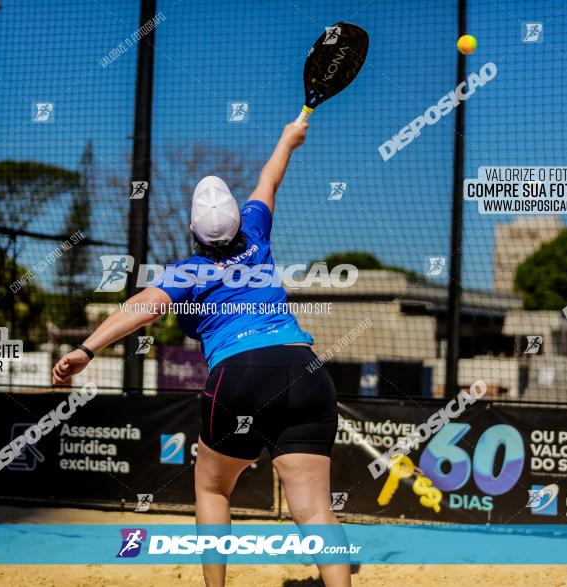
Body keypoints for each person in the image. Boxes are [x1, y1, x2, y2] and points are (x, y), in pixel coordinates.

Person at [53, 122, 350, 586]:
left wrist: (86, 349)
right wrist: (287, 138)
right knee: (314, 511)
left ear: (192, 230)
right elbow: (268, 180)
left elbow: (139, 309)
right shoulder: (255, 233)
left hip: (241, 373)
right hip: (305, 368)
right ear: (237, 221)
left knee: (212, 488)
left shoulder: (186, 271)